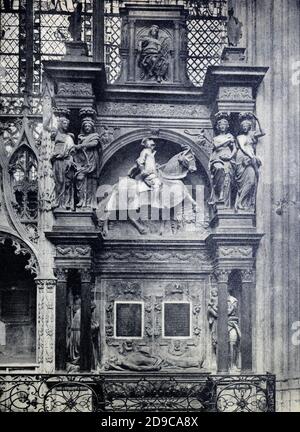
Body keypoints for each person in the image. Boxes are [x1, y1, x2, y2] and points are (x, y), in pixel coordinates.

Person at [235, 112, 265, 212]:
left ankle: (243, 201)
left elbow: (263, 132)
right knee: (245, 181)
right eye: (243, 126)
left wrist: (257, 120)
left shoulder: (252, 135)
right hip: (243, 158)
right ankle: (240, 202)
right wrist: (251, 156)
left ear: (249, 126)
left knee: (252, 181)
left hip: (251, 157)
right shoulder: (240, 137)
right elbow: (243, 147)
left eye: (246, 125)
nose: (244, 127)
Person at [74, 109, 102, 209]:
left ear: (92, 127)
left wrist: (81, 145)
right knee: (80, 179)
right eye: (85, 126)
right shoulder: (80, 137)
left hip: (92, 160)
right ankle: (82, 200)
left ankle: (90, 202)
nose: (87, 127)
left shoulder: (95, 136)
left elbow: (94, 143)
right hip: (82, 161)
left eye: (89, 126)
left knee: (91, 181)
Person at [208, 112, 236, 208]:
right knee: (219, 169)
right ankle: (218, 192)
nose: (222, 126)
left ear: (227, 126)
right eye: (220, 125)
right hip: (218, 157)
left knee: (227, 177)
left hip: (228, 157)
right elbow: (216, 146)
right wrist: (227, 140)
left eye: (224, 125)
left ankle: (223, 198)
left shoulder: (230, 136)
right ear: (218, 127)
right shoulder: (216, 138)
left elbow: (235, 148)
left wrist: (230, 157)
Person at [51, 111, 76, 210]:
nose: (66, 126)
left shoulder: (68, 137)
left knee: (66, 182)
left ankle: (65, 203)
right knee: (58, 181)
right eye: (64, 123)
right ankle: (57, 201)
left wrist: (66, 156)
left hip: (65, 161)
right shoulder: (55, 134)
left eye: (67, 124)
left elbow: (72, 149)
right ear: (60, 124)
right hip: (57, 161)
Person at [128, 137, 162, 207]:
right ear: (147, 144)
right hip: (148, 174)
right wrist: (143, 170)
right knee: (157, 183)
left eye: (153, 145)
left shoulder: (151, 153)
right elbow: (139, 161)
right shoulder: (145, 151)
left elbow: (150, 164)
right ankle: (154, 202)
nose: (153, 146)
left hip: (153, 173)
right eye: (151, 144)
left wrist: (155, 166)